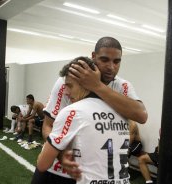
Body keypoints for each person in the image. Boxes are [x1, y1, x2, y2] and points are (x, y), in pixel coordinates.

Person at [31, 37, 148, 183]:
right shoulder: (67, 83)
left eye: (116, 61)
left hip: (93, 176)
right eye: (104, 60)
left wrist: (97, 86)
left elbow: (141, 115)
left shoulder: (122, 86)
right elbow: (48, 125)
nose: (111, 67)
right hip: (57, 171)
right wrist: (61, 154)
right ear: (93, 57)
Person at [37, 56, 131, 184]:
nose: (65, 92)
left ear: (85, 83)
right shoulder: (122, 112)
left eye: (69, 86)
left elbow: (42, 164)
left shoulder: (73, 111)